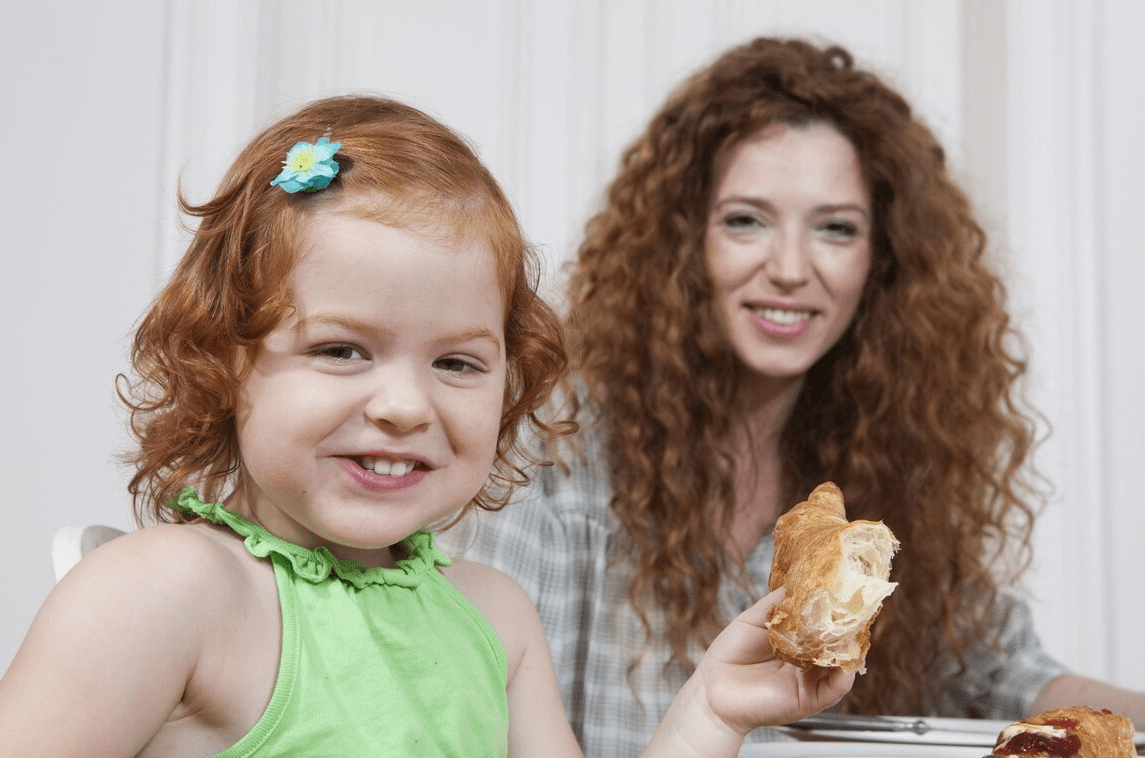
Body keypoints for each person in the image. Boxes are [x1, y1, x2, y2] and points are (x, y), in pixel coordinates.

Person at [0, 95, 853, 757]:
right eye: (340, 350)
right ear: (224, 362)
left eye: (456, 364)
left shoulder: (495, 618)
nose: (406, 406)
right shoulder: (167, 593)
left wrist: (709, 709)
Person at [445, 36, 1145, 756]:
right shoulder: (552, 450)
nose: (787, 268)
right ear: (683, 242)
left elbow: (1011, 674)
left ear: (880, 262)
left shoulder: (886, 471)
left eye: (834, 229)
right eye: (745, 220)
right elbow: (482, 703)